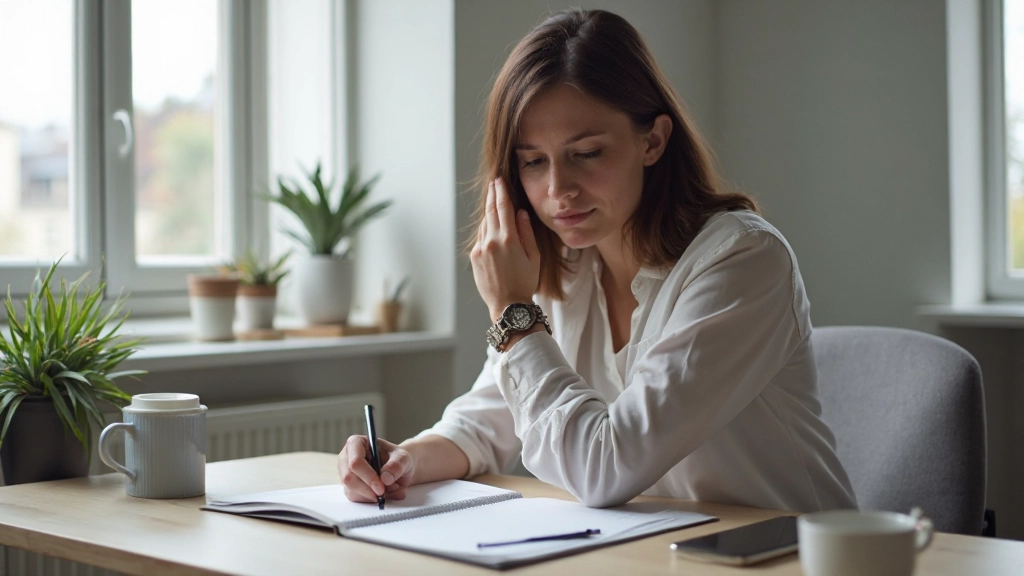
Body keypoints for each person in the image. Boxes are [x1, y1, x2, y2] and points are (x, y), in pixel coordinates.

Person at [337, 8, 857, 513]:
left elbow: (606, 466)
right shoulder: (566, 264)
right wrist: (401, 460)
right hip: (659, 555)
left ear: (652, 140)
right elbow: (486, 423)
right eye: (533, 162)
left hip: (790, 559)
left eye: (586, 153)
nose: (558, 189)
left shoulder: (742, 260)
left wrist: (514, 316)